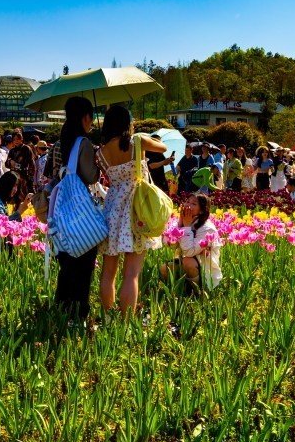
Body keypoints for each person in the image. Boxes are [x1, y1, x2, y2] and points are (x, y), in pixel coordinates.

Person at [96, 105, 167, 315]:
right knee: (131, 273)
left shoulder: (100, 152)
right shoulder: (137, 141)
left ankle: (108, 315)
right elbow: (162, 147)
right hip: (136, 209)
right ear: (127, 123)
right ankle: (126, 322)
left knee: (108, 271)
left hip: (112, 207)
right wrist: (144, 134)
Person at [42, 96, 101, 320]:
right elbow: (91, 176)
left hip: (60, 207)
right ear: (85, 117)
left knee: (66, 261)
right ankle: (78, 313)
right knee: (83, 262)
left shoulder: (61, 141)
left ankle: (61, 308)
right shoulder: (83, 143)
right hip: (79, 208)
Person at [169, 193, 222, 294]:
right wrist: (180, 223)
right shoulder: (186, 221)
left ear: (201, 210)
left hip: (205, 270)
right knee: (164, 269)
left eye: (193, 204)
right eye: (187, 202)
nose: (187, 205)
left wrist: (186, 227)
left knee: (188, 262)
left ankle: (198, 292)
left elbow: (189, 252)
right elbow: (170, 244)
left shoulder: (207, 229)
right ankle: (182, 289)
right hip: (185, 262)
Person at [5, 130, 36, 202]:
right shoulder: (12, 150)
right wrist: (10, 163)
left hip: (24, 176)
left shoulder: (26, 149)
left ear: (21, 139)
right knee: (14, 198)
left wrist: (31, 177)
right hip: (14, 176)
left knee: (25, 197)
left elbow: (31, 164)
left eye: (18, 139)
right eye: (14, 139)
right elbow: (6, 164)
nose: (16, 141)